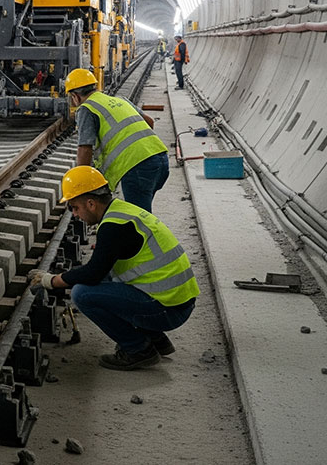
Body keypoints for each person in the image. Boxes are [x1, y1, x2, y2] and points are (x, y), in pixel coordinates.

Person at [29, 166, 199, 371]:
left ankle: (138, 350)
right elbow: (99, 269)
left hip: (168, 309)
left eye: (74, 208)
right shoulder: (121, 211)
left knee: (82, 294)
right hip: (177, 301)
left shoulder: (113, 227)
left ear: (91, 203)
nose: (74, 215)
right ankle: (156, 339)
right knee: (106, 280)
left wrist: (51, 281)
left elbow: (93, 273)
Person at [65, 68, 169, 212]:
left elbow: (85, 148)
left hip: (138, 168)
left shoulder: (86, 109)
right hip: (161, 159)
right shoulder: (119, 100)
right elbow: (149, 122)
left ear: (75, 96)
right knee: (143, 213)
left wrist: (80, 185)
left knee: (139, 220)